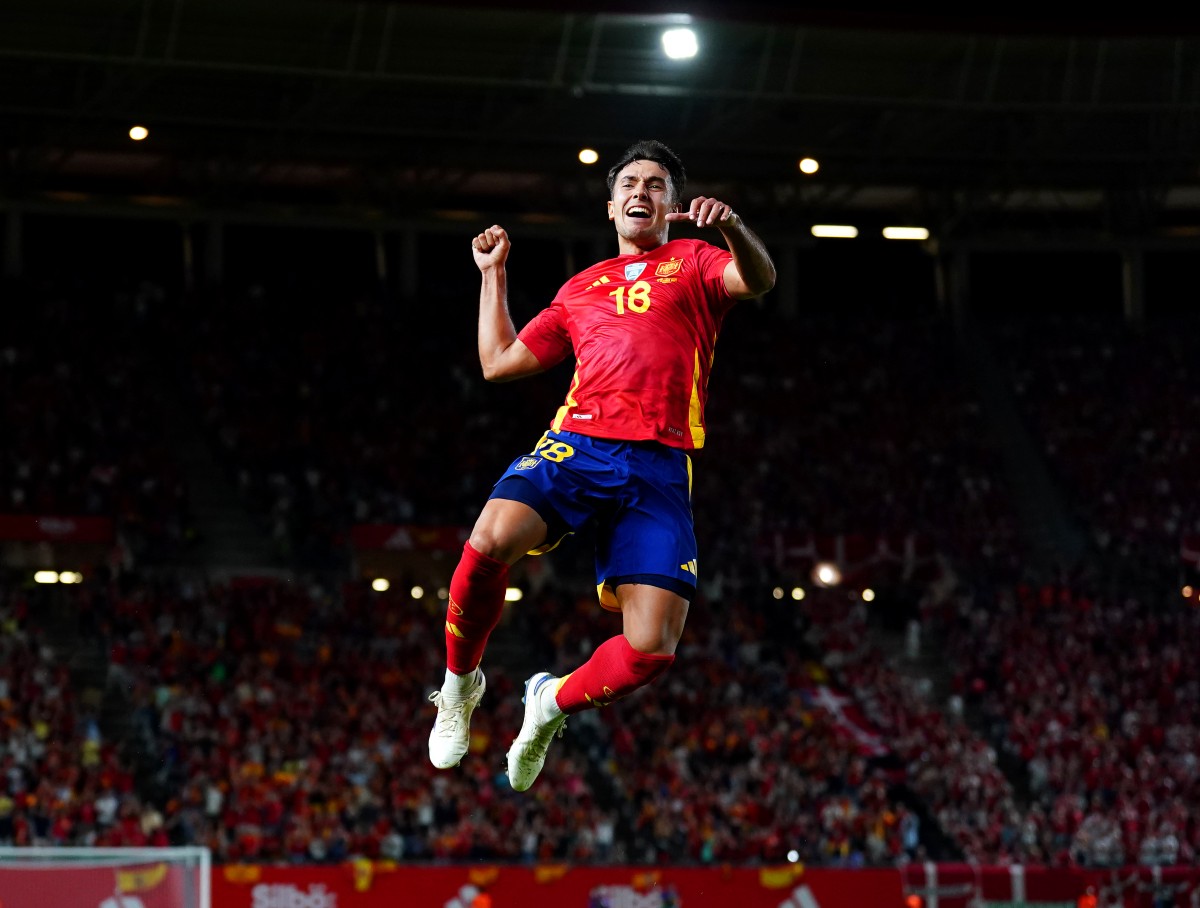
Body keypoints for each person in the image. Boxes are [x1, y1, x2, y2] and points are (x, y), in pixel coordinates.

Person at [427, 139, 776, 791]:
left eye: (656, 184)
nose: (641, 192)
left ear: (673, 205)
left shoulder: (697, 262)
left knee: (650, 651)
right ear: (611, 206)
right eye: (629, 185)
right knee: (489, 537)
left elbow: (757, 280)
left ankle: (547, 705)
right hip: (580, 445)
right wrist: (492, 273)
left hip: (661, 466)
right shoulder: (580, 288)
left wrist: (731, 227)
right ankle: (457, 687)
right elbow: (498, 362)